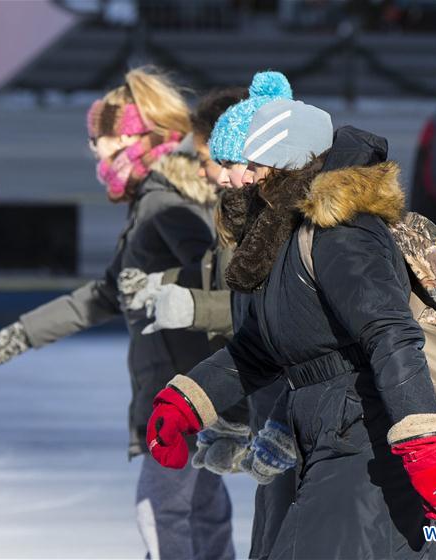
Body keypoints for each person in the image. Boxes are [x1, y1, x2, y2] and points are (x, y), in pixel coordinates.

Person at [146, 98, 436, 559]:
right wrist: (186, 402)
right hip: (322, 430)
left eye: (255, 163)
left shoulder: (343, 231)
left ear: (286, 163)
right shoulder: (289, 236)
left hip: (362, 437)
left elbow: (390, 332)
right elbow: (258, 349)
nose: (246, 177)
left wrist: (425, 441)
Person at [0, 67, 234, 559]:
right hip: (186, 384)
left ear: (135, 139)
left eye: (104, 142)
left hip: (181, 387)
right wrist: (23, 333)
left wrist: (159, 290)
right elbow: (106, 293)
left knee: (164, 508)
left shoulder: (162, 200)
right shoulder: (151, 202)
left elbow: (211, 274)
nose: (96, 153)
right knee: (199, 505)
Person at [127, 72, 299, 560]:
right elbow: (253, 323)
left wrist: (189, 307)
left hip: (297, 414)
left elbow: (278, 318)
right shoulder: (236, 215)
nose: (212, 174)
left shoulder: (286, 224)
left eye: (216, 160)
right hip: (249, 400)